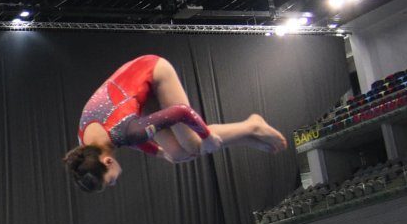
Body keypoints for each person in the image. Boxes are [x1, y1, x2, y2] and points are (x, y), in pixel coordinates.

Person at [65, 55, 288, 192]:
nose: (114, 183)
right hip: (134, 93)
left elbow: (181, 113)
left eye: (110, 182)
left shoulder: (128, 132)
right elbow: (126, 138)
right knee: (178, 154)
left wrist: (207, 136)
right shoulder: (86, 144)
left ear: (107, 162)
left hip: (153, 71)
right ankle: (246, 137)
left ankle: (252, 126)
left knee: (194, 145)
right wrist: (161, 154)